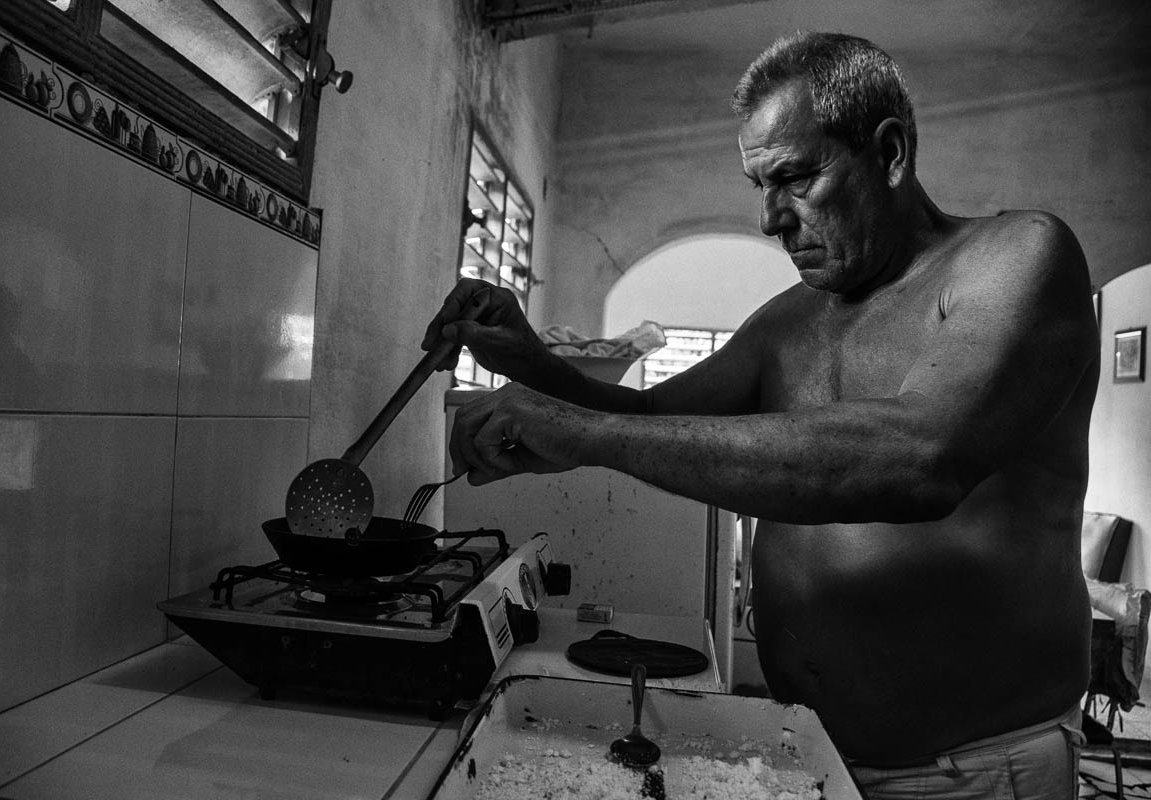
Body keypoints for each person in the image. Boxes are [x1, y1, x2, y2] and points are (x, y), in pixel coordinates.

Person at [422, 31, 1098, 800]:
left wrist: (581, 433)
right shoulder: (787, 324)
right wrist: (528, 360)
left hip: (971, 769)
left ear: (890, 152)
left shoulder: (1015, 260)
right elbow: (647, 421)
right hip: (804, 749)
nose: (773, 219)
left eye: (796, 178)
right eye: (760, 186)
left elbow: (920, 457)